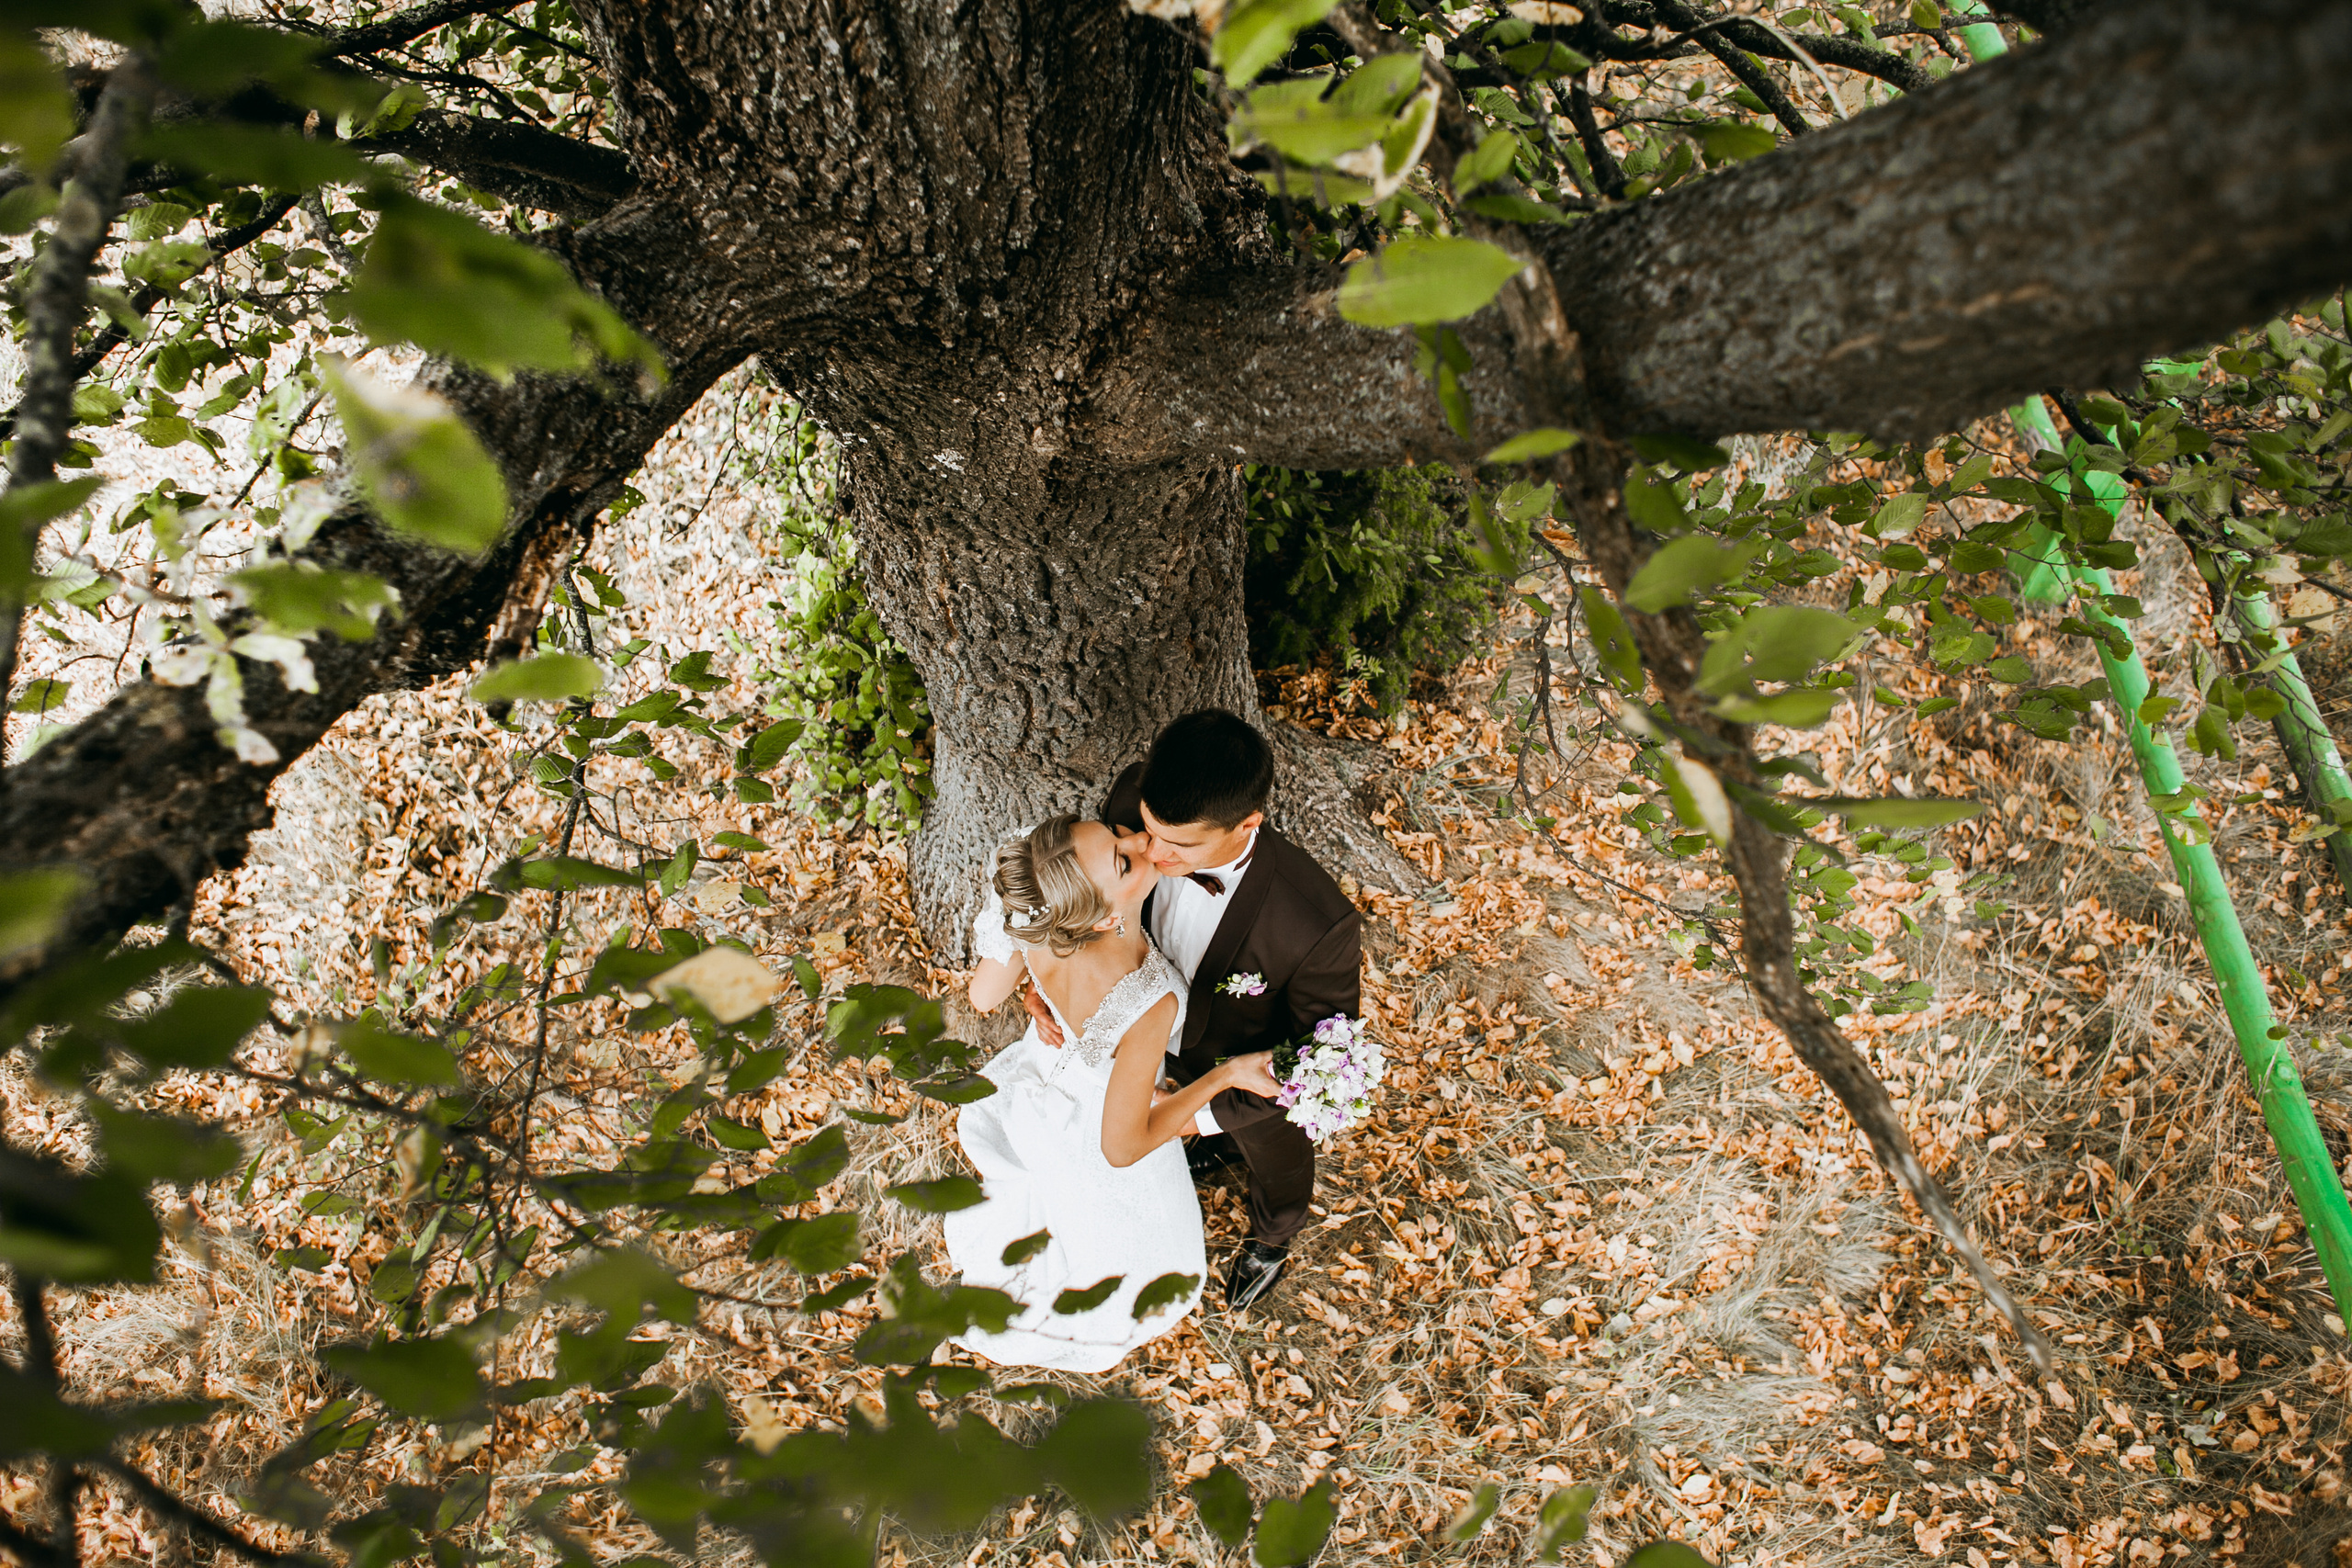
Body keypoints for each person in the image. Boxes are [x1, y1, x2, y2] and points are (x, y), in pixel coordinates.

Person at [1029, 708, 1363, 1312]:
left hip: (1244, 1077)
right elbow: (1089, 896)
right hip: (1155, 1045)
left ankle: (1274, 1235)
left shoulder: (1316, 925)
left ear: (1247, 825)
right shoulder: (1136, 797)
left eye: (1176, 844)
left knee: (1277, 1162)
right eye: (1146, 830)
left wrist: (1198, 1120)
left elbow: (1321, 1065)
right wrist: (1046, 980)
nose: (1148, 850)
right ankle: (1215, 1146)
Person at [946, 814, 1281, 1371]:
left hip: (1046, 1085)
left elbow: (984, 996)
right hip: (1103, 1122)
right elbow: (1123, 1148)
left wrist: (1037, 989)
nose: (1138, 841)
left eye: (1115, 834)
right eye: (1124, 860)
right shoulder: (1146, 1001)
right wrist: (1225, 1076)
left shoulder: (1041, 893)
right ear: (1103, 919)